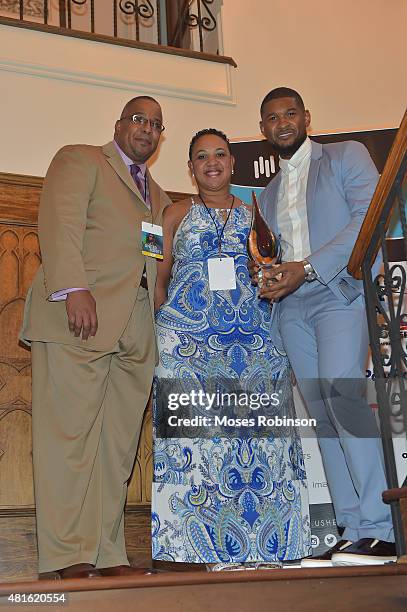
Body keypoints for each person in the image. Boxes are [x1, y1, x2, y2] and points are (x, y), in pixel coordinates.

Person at [21, 96, 171, 579]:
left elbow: (152, 260)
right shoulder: (80, 158)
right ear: (119, 125)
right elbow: (59, 224)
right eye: (138, 119)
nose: (146, 129)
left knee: (117, 448)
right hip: (78, 317)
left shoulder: (158, 196)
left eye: (155, 124)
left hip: (135, 333)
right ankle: (64, 556)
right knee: (68, 441)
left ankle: (107, 554)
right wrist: (74, 288)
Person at [151, 128, 311, 568]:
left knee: (259, 443)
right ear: (190, 167)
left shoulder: (259, 216)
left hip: (255, 347)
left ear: (233, 162)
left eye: (220, 154)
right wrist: (157, 334)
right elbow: (154, 279)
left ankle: (270, 547)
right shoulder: (170, 214)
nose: (212, 162)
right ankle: (187, 549)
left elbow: (275, 278)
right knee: (196, 445)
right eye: (201, 156)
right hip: (187, 347)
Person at [255, 87, 396, 567]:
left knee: (344, 399)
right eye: (272, 118)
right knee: (322, 417)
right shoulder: (267, 192)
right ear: (264, 129)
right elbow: (279, 253)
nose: (283, 123)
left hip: (338, 294)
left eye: (290, 113)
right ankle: (353, 526)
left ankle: (383, 527)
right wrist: (275, 278)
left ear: (306, 117)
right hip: (292, 308)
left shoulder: (346, 156)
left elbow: (367, 221)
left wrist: (308, 267)